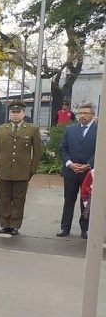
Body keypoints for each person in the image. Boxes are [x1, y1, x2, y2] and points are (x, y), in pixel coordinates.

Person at [0, 100, 42, 235]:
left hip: (22, 170)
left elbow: (37, 152)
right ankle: (4, 224)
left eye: (18, 112)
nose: (15, 115)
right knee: (4, 198)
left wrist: (32, 170)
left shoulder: (32, 129)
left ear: (23, 113)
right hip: (4, 170)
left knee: (19, 200)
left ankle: (14, 225)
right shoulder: (0, 129)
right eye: (13, 112)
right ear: (9, 114)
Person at [56, 102, 97, 239]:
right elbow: (63, 148)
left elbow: (100, 151)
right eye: (80, 113)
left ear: (93, 115)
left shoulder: (99, 131)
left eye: (86, 113)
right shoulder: (70, 129)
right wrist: (69, 164)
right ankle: (65, 227)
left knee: (86, 201)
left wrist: (88, 165)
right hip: (71, 171)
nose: (82, 116)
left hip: (88, 173)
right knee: (68, 200)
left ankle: (85, 229)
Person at [81, 168, 94, 238]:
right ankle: (86, 230)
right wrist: (85, 199)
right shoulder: (92, 172)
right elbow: (85, 186)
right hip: (91, 198)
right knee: (88, 216)